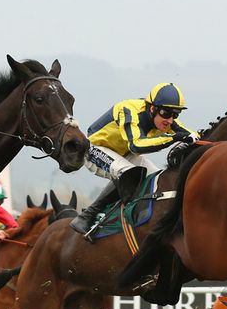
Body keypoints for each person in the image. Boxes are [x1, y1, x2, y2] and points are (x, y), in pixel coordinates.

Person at [69, 82, 199, 237]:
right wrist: (173, 138)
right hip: (94, 149)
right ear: (152, 108)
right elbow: (136, 145)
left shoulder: (163, 116)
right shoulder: (128, 110)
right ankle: (88, 216)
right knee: (130, 173)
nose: (170, 120)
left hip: (123, 153)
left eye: (175, 115)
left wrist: (197, 138)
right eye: (166, 113)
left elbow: (186, 132)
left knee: (158, 179)